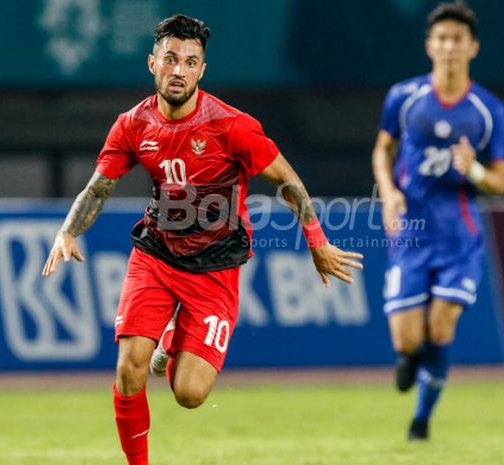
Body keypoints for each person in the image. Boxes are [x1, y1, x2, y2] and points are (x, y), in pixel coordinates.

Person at [42, 14, 363, 465]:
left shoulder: (232, 126)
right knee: (129, 368)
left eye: (190, 62)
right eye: (170, 59)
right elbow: (98, 187)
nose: (179, 70)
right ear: (152, 63)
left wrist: (317, 242)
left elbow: (286, 179)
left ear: (202, 70)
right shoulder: (132, 125)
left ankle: (172, 340)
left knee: (189, 394)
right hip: (156, 255)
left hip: (215, 268)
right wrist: (69, 230)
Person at [372, 1, 504, 441]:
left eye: (458, 40)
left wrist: (472, 169)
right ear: (429, 45)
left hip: (460, 236)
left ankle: (421, 421)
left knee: (441, 326)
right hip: (410, 234)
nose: (450, 47)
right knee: (405, 341)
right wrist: (390, 193)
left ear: (473, 48)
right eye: (443, 39)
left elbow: (500, 183)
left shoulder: (489, 111)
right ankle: (414, 358)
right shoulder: (404, 97)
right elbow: (382, 150)